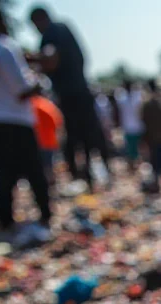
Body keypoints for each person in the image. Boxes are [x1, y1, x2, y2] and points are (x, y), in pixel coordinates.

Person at [29, 5, 110, 188]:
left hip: (73, 95)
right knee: (87, 137)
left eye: (35, 24)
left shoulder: (54, 31)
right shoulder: (63, 30)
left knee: (79, 138)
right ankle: (91, 176)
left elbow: (50, 59)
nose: (36, 29)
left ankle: (87, 176)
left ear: (41, 19)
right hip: (78, 92)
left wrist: (29, 60)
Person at [0, 8, 51, 243]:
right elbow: (21, 91)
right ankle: (45, 216)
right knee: (33, 172)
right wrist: (39, 82)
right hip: (16, 121)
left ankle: (6, 222)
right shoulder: (5, 48)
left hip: (0, 122)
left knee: (5, 175)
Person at [31, 94, 63, 184]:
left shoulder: (32, 105)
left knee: (43, 166)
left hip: (39, 142)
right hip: (50, 141)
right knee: (49, 165)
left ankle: (47, 184)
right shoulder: (48, 105)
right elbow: (58, 122)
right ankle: (51, 184)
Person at [115, 79, 143, 171]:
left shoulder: (128, 98)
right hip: (131, 127)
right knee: (132, 148)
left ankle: (136, 164)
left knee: (136, 147)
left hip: (135, 126)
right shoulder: (124, 98)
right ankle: (135, 165)